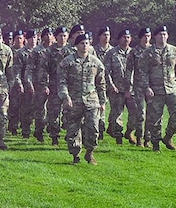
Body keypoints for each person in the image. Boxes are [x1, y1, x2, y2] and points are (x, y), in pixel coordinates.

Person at [58, 32, 106, 164]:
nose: (85, 46)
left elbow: (101, 83)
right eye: (82, 43)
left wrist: (103, 102)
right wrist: (65, 97)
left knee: (93, 128)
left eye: (87, 43)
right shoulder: (67, 62)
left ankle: (89, 152)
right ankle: (75, 155)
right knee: (73, 130)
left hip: (91, 101)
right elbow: (62, 82)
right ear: (76, 45)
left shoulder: (96, 63)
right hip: (74, 101)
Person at [136, 25, 176, 151]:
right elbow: (143, 72)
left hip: (172, 88)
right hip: (155, 90)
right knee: (155, 119)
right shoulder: (148, 53)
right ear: (155, 36)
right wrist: (147, 87)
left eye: (164, 34)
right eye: (160, 34)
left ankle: (168, 136)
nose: (162, 36)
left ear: (167, 36)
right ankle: (156, 143)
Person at [104, 29, 136, 145]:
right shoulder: (111, 53)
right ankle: (118, 137)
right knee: (117, 113)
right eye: (123, 37)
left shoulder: (134, 53)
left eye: (128, 37)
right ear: (119, 39)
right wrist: (111, 85)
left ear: (131, 39)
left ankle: (129, 131)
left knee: (136, 112)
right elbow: (106, 71)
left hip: (132, 89)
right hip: (117, 89)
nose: (126, 39)